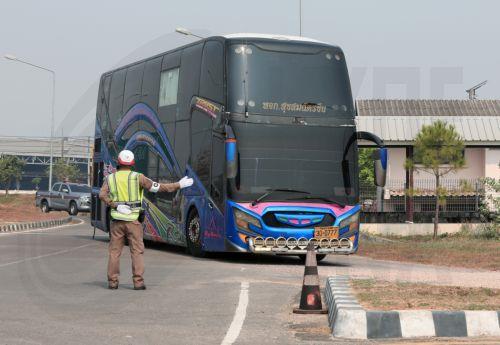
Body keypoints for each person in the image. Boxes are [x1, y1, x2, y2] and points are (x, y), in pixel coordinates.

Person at [99, 149, 193, 290]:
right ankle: (138, 282)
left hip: (117, 221)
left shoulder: (110, 178)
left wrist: (115, 205)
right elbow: (159, 188)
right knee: (137, 251)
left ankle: (112, 282)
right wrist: (178, 185)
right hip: (134, 221)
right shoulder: (138, 177)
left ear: (118, 162)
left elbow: (102, 195)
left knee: (114, 252)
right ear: (132, 163)